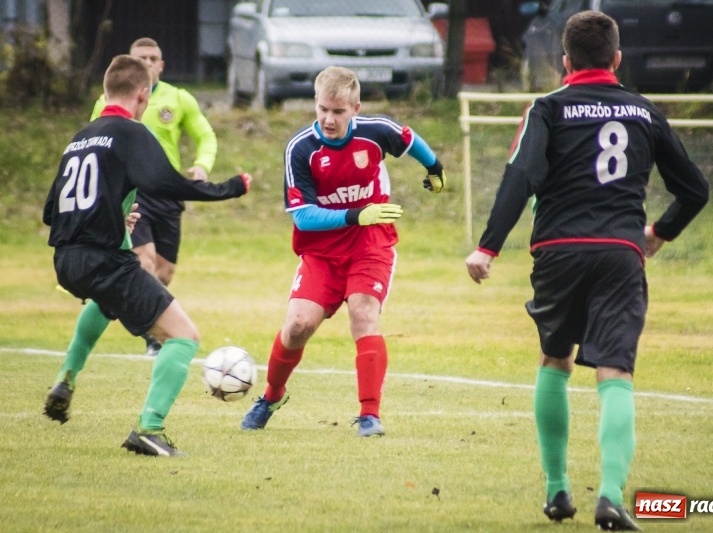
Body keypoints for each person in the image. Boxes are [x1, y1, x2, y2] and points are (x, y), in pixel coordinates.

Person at [465, 11, 708, 531]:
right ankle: (613, 496)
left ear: (564, 62)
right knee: (614, 371)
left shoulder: (548, 108)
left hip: (558, 251)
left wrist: (488, 247)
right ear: (617, 60)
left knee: (555, 360)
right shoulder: (645, 112)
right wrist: (659, 232)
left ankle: (556, 491)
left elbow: (521, 177)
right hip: (621, 253)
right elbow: (695, 190)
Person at [42, 54, 252, 457]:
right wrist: (230, 188)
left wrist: (117, 214)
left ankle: (65, 380)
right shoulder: (130, 132)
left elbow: (52, 211)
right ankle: (149, 429)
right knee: (183, 337)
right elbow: (167, 183)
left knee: (107, 302)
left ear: (106, 93)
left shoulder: (81, 137)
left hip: (67, 260)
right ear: (143, 94)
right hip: (103, 259)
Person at [240, 66, 447, 437]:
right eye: (322, 109)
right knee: (298, 325)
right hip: (321, 251)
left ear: (355, 108)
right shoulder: (301, 148)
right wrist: (356, 213)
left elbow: (409, 138)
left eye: (338, 111)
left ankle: (370, 415)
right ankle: (271, 396)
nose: (328, 119)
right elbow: (303, 217)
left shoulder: (375, 132)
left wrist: (435, 167)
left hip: (371, 242)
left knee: (364, 312)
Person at [91, 37, 218, 357]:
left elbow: (205, 135)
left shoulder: (179, 98)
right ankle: (154, 336)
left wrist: (202, 166)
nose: (147, 63)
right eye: (140, 58)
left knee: (163, 272)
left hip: (167, 194)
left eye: (153, 58)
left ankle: (127, 306)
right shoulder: (107, 101)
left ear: (161, 65)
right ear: (128, 64)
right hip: (134, 193)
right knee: (143, 260)